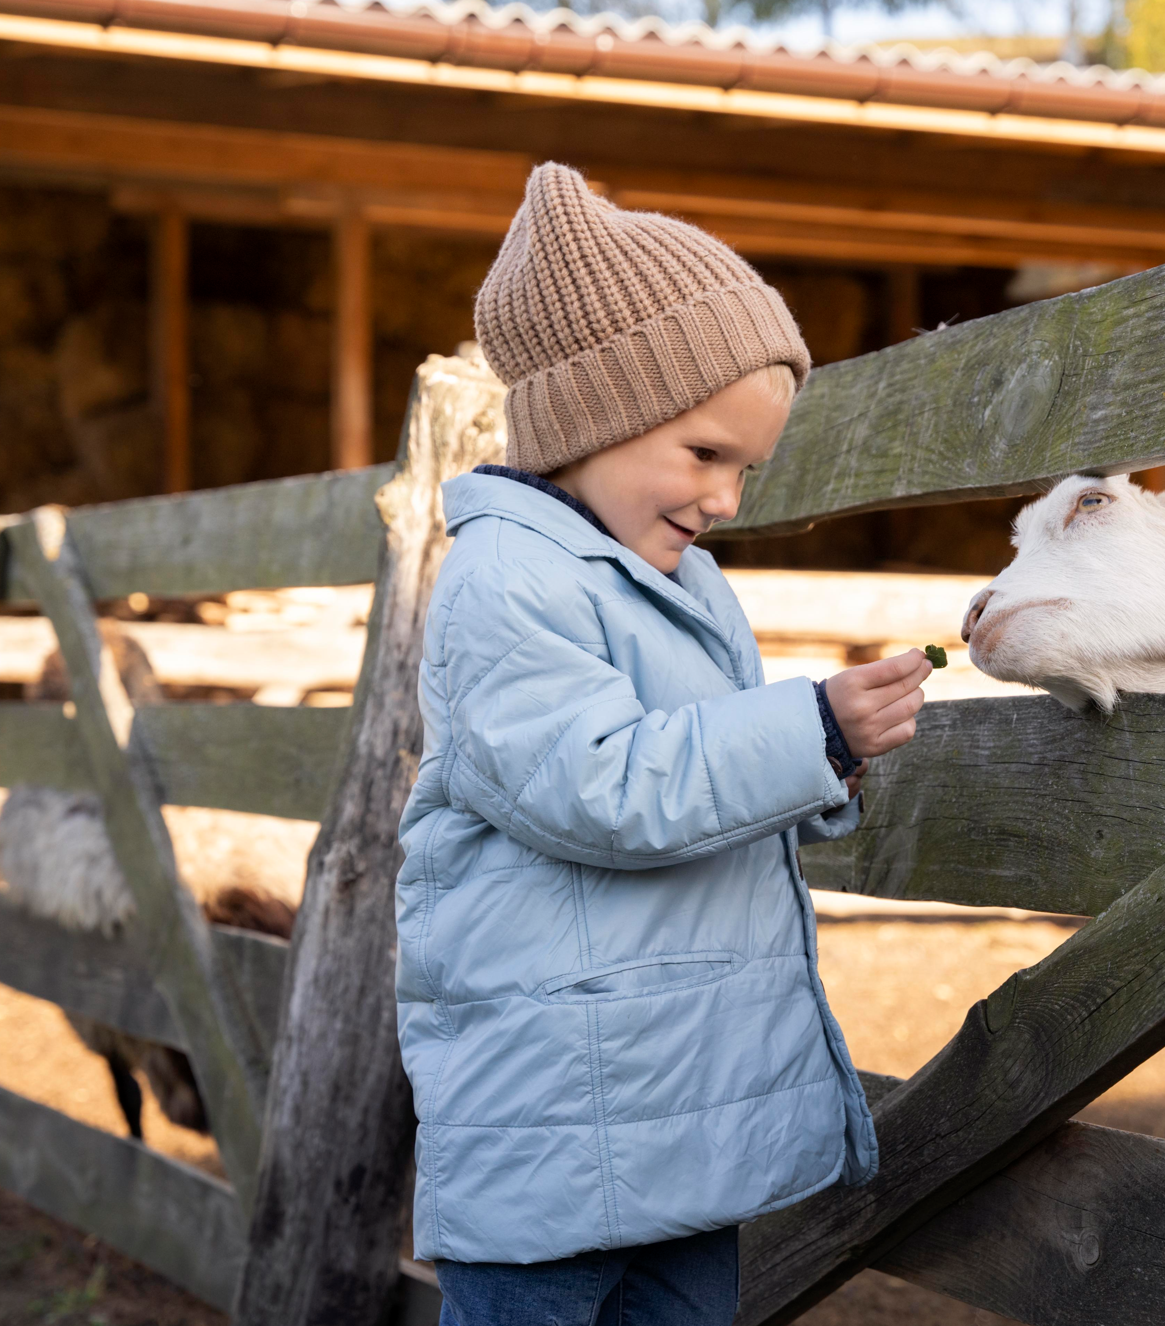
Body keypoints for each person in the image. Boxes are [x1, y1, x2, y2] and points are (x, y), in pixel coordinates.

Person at [396, 162, 932, 1326]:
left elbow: (705, 768)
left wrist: (826, 756)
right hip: (555, 1136)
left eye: (748, 468)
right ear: (596, 419)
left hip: (681, 1119)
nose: (729, 497)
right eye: (704, 454)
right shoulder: (505, 581)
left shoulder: (683, 583)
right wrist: (808, 730)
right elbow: (599, 785)